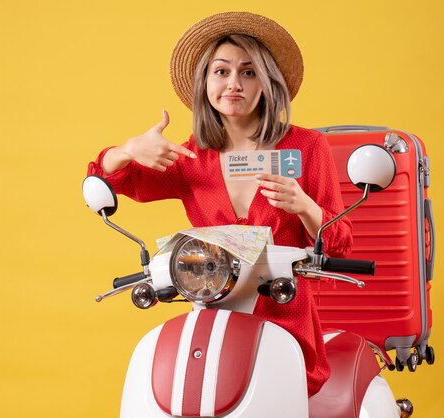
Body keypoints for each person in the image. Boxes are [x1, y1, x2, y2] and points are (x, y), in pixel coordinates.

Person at [87, 11, 352, 397]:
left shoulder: (308, 147)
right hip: (215, 318)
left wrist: (305, 206)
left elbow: (340, 240)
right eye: (221, 71)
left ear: (267, 82)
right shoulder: (192, 156)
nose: (233, 84)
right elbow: (113, 181)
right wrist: (125, 150)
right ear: (205, 82)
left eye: (248, 72)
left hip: (286, 317)